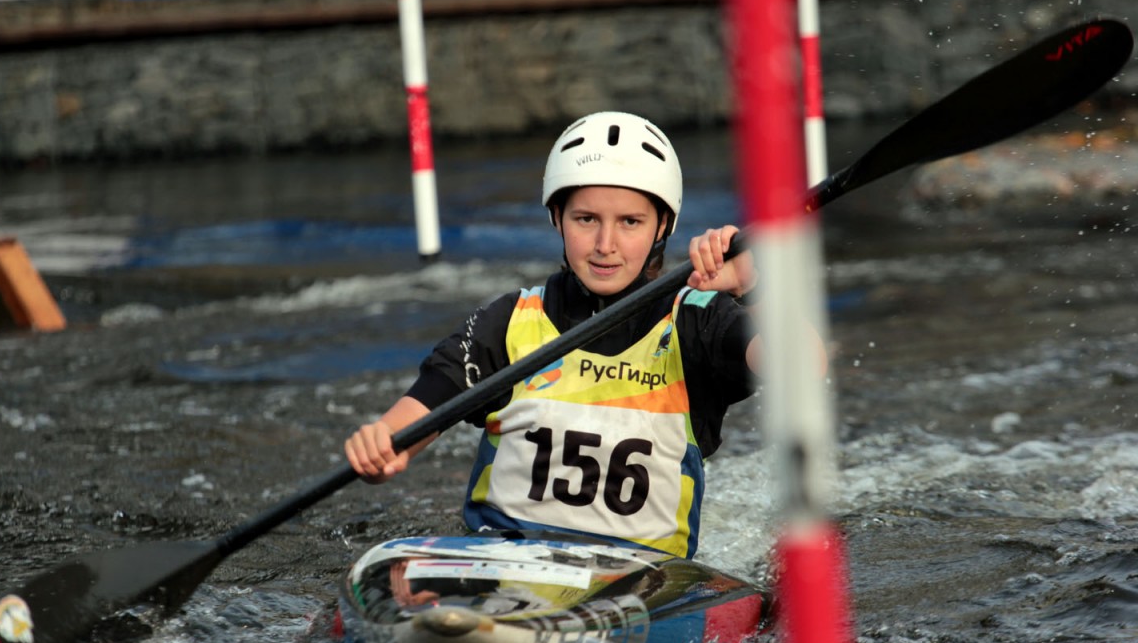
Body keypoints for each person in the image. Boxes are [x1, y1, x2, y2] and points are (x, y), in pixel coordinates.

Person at [345, 111, 820, 559]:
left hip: (646, 582)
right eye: (586, 219)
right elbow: (407, 425)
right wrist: (382, 446)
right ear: (557, 217)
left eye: (630, 222)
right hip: (503, 565)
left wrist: (753, 289)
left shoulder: (698, 322)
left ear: (662, 226)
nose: (605, 245)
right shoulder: (509, 322)